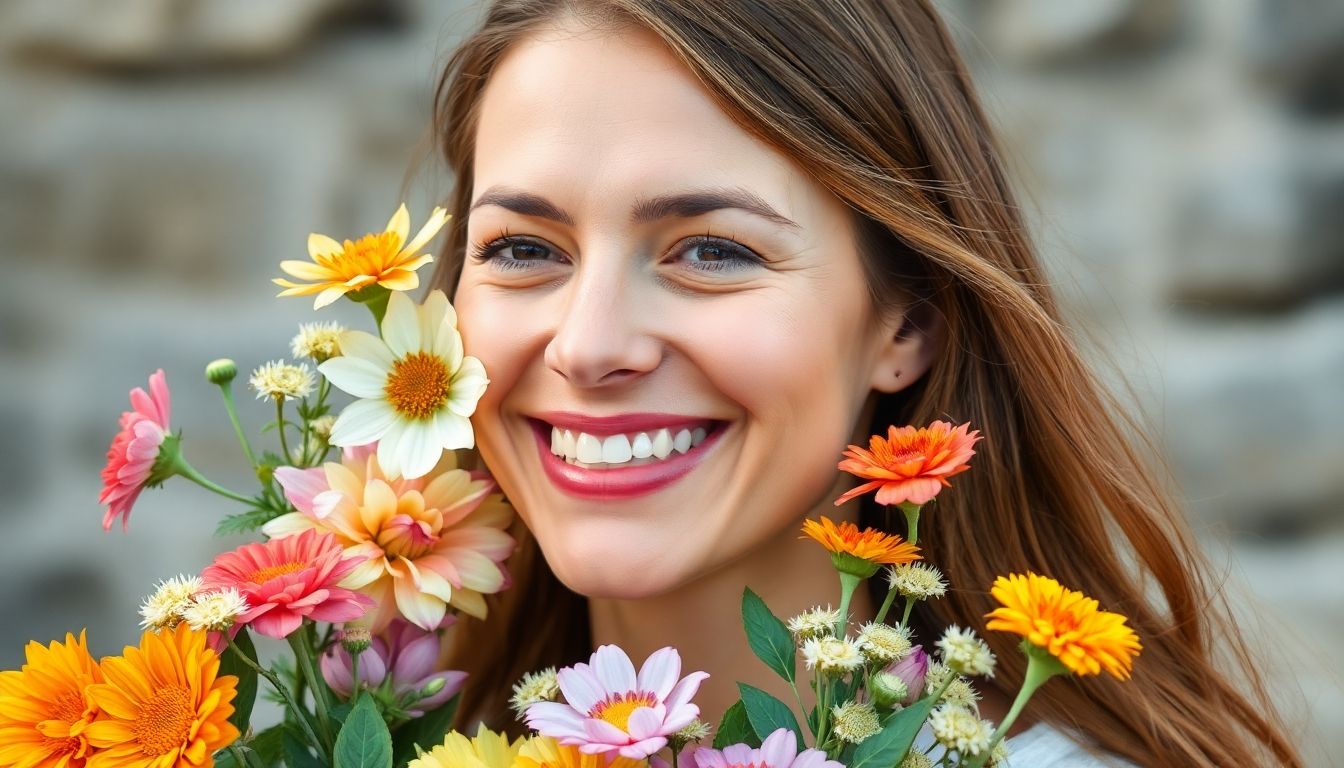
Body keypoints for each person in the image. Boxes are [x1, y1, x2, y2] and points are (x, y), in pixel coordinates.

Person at [425, 1, 1301, 765]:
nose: (586, 345)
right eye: (523, 250)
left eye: (714, 251)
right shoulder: (383, 729)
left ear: (909, 322)